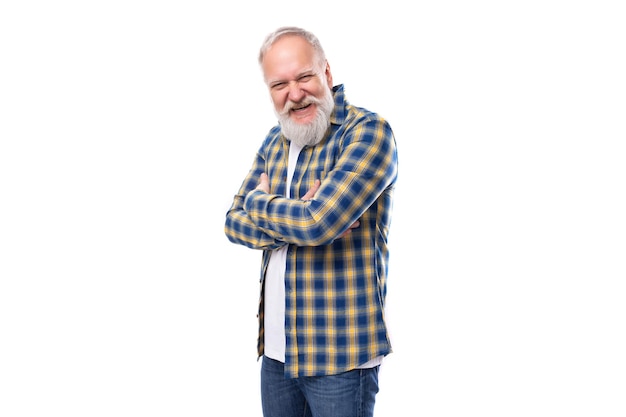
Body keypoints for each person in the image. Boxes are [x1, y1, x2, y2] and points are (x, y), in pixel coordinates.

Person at [224, 26, 398, 417]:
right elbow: (233, 223)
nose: (294, 93)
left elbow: (318, 223)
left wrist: (262, 203)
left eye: (304, 77)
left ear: (327, 74)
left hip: (340, 358)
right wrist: (296, 213)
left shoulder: (368, 133)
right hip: (276, 357)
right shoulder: (275, 141)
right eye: (279, 84)